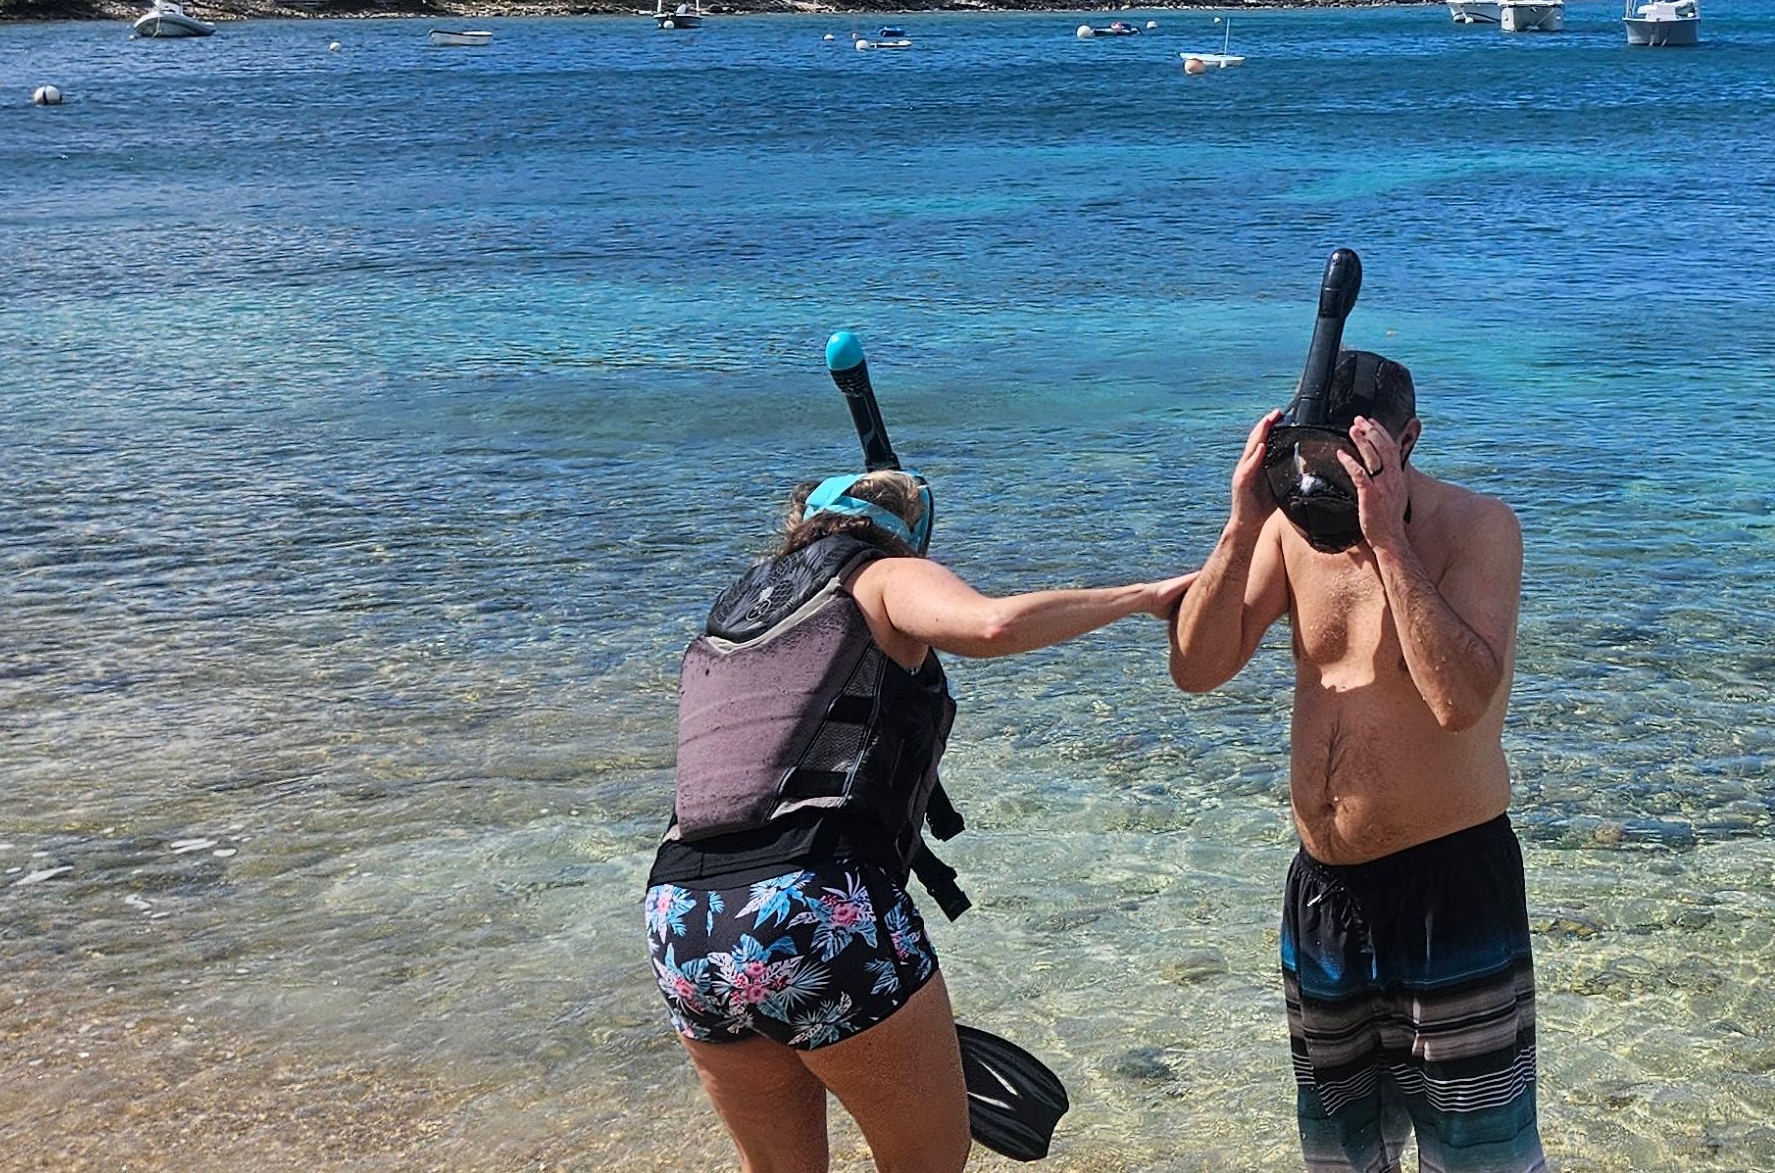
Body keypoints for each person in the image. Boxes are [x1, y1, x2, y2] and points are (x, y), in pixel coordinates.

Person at [648, 469, 1189, 1173]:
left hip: (680, 921)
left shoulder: (731, 614)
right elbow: (990, 625)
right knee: (927, 1162)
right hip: (811, 907)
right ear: (910, 540)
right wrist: (1142, 598)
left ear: (798, 525)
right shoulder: (881, 576)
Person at [1168, 354, 1542, 1173]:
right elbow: (1196, 668)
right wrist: (1239, 522)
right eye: (1313, 455)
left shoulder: (1478, 529)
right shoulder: (1285, 531)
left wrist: (1387, 539)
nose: (1327, 478)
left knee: (1479, 1159)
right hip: (1326, 898)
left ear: (1406, 440)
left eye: (1356, 455)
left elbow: (1459, 702)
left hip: (1449, 889)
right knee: (1341, 1158)